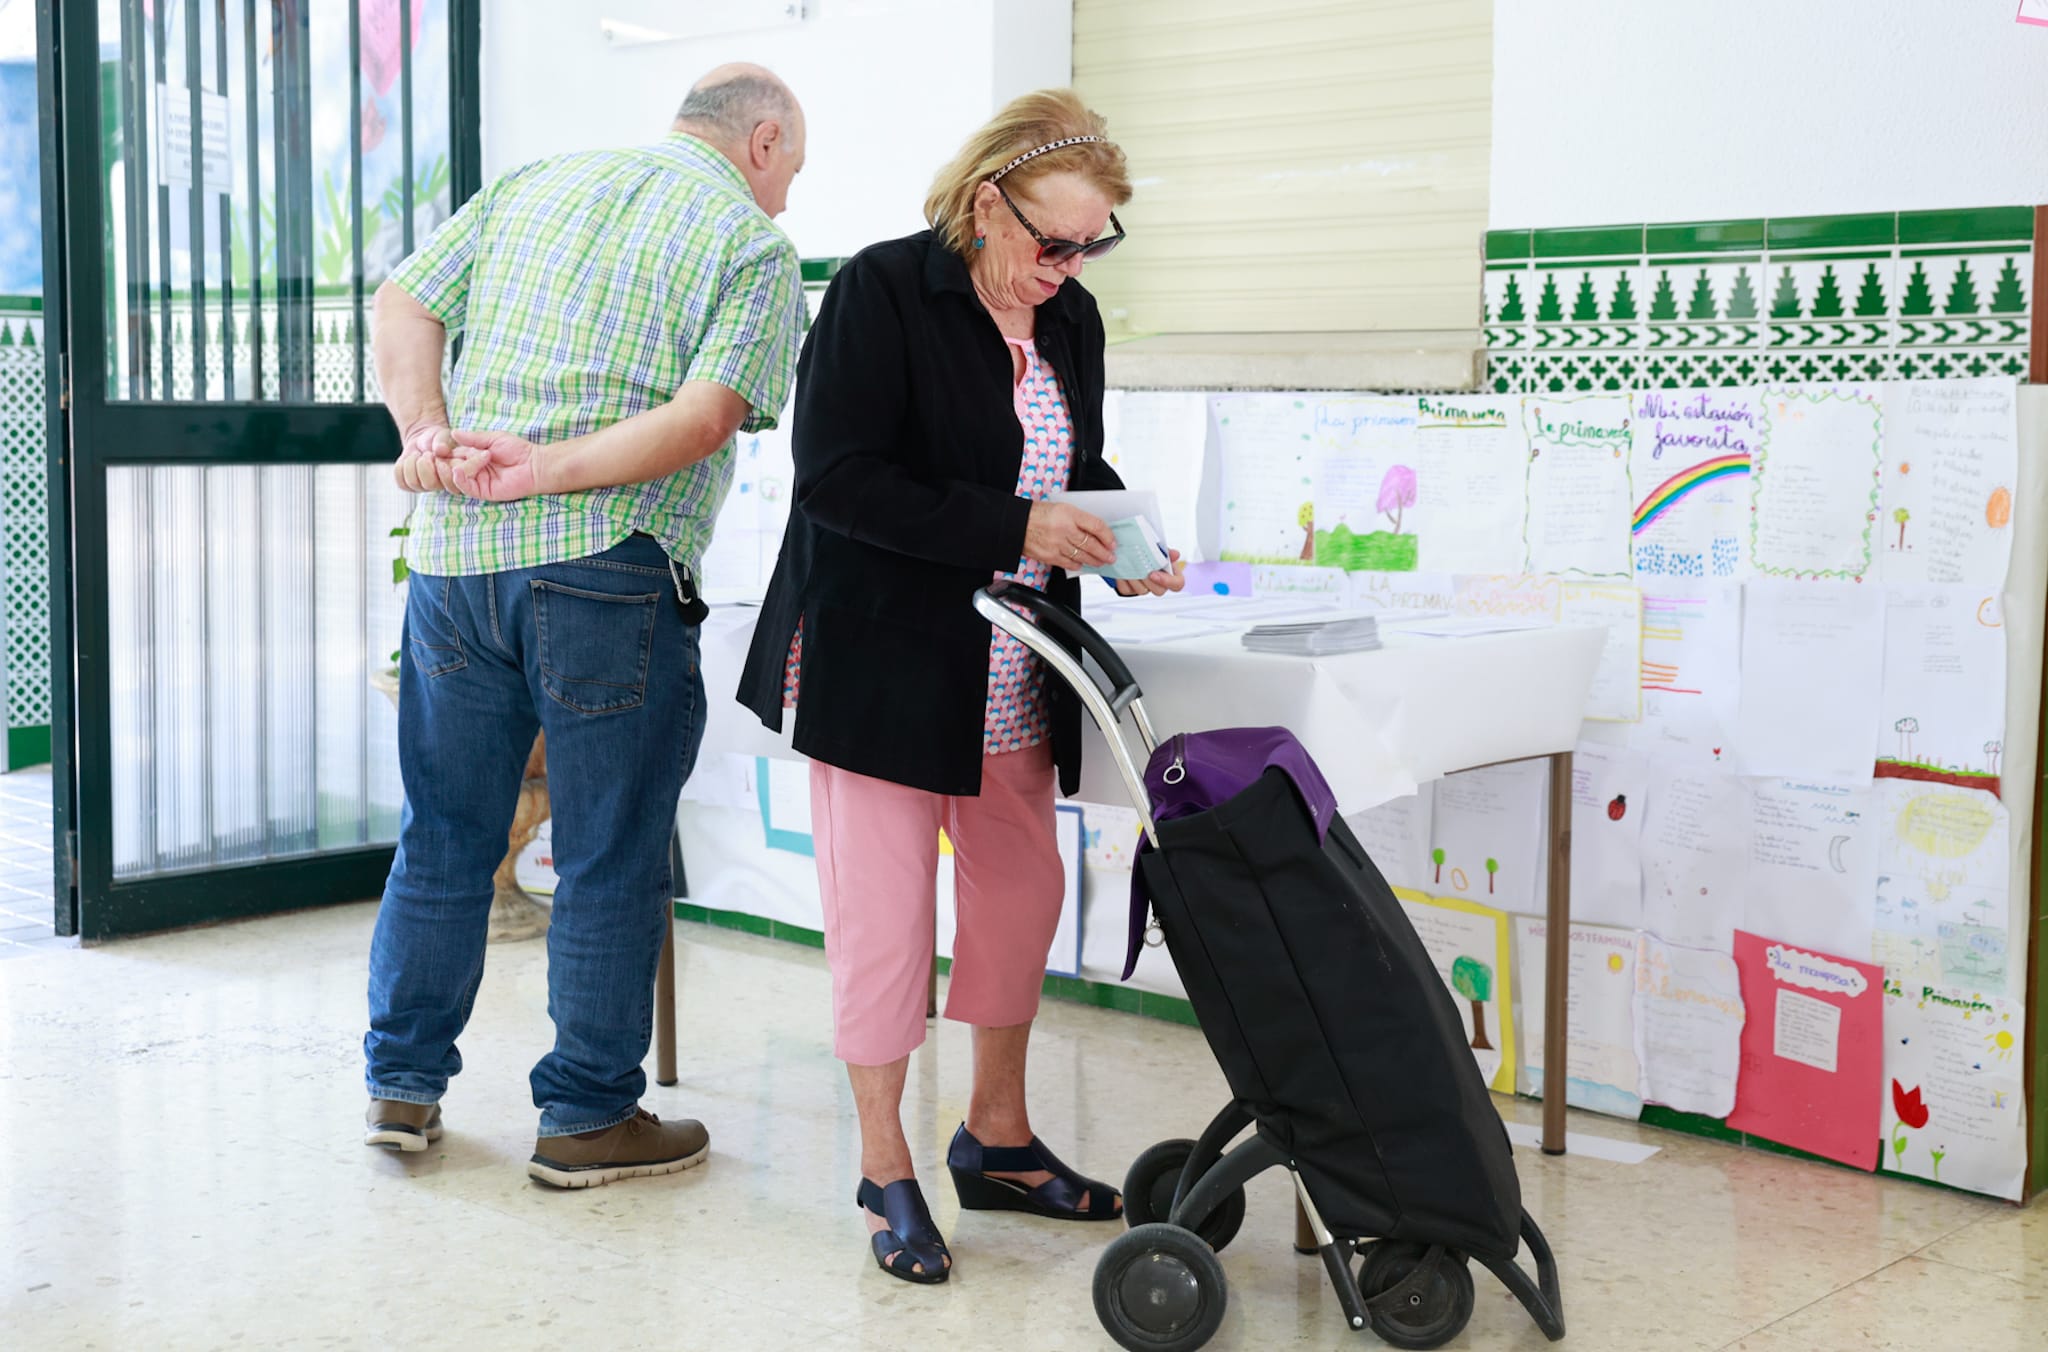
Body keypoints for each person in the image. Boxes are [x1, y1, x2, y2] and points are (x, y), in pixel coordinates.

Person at [732, 89, 1181, 1284]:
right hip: (882, 659)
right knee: (885, 928)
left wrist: (1124, 539)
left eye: (1092, 244)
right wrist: (1019, 520)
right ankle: (885, 1164)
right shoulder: (882, 292)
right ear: (988, 203)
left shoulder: (1066, 318)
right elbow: (836, 479)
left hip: (1009, 671)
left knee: (1019, 900)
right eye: (1054, 240)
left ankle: (996, 1137)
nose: (1070, 266)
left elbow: (1069, 461)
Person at [361, 64, 807, 1190]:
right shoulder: (750, 247)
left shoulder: (534, 182)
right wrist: (549, 473)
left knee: (444, 833)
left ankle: (401, 1089)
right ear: (760, 140)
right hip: (605, 572)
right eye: (790, 171)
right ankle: (587, 1117)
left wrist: (430, 432)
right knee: (607, 852)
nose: (786, 200)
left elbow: (400, 297)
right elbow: (707, 418)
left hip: (455, 563)